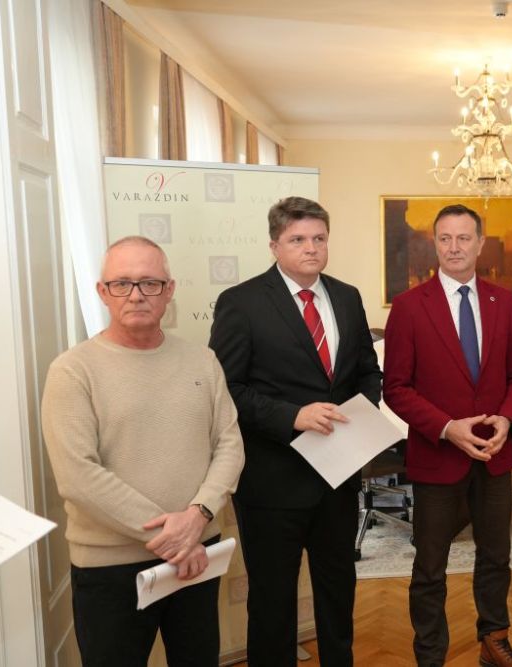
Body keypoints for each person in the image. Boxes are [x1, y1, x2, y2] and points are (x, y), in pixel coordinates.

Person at [42, 236, 244, 666]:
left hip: (197, 557)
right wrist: (174, 539)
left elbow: (229, 445)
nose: (136, 295)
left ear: (169, 291)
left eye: (150, 283)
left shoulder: (203, 361)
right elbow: (78, 476)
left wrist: (198, 516)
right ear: (103, 292)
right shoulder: (72, 371)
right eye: (122, 284)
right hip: (111, 568)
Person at [209, 196, 382, 666]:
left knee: (338, 589)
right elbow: (226, 389)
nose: (311, 248)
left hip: (337, 476)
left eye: (319, 238)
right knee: (272, 600)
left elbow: (368, 371)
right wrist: (292, 416)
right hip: (272, 480)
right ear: (274, 246)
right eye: (298, 239)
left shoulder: (347, 296)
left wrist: (362, 413)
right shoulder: (241, 302)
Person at [383, 204, 512, 667]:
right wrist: (448, 428)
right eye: (445, 238)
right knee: (430, 566)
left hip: (493, 453)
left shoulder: (502, 301)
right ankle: (430, 655)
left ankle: (494, 642)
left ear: (480, 243)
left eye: (463, 238)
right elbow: (396, 388)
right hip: (437, 457)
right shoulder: (409, 307)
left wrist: (507, 420)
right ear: (435, 243)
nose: (454, 247)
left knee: (496, 557)